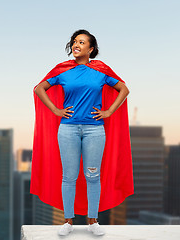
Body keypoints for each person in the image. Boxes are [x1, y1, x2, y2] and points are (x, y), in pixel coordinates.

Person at [31, 29, 133, 236]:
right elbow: (39, 88)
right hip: (67, 129)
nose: (76, 45)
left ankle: (92, 221)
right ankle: (68, 221)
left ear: (91, 49)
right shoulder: (62, 70)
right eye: (75, 42)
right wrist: (56, 110)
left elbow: (124, 89)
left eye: (82, 42)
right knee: (69, 177)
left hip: (94, 130)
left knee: (93, 176)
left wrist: (109, 111)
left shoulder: (102, 70)